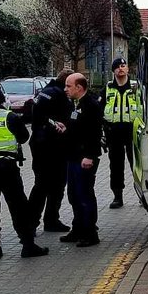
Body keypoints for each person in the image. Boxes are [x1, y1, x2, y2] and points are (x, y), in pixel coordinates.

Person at [0, 84, 49, 260]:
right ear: (1, 100)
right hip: (6, 168)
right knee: (18, 207)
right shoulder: (9, 117)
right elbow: (23, 137)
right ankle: (28, 245)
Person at [28, 69, 74, 232]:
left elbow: (36, 116)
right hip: (53, 145)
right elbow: (67, 118)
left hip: (39, 142)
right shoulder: (60, 95)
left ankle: (33, 222)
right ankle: (48, 220)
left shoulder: (44, 91)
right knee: (55, 184)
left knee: (41, 184)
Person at [62, 73, 103, 247]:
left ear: (79, 87)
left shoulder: (91, 105)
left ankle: (90, 233)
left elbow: (94, 133)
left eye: (68, 86)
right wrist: (66, 128)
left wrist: (90, 156)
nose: (65, 89)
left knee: (84, 194)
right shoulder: (75, 104)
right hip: (73, 156)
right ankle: (78, 228)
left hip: (84, 158)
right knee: (73, 194)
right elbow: (77, 126)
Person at [100, 58, 139, 209]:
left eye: (123, 66)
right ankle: (118, 197)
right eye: (117, 67)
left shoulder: (136, 87)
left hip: (133, 132)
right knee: (116, 166)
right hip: (114, 133)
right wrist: (103, 132)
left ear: (128, 69)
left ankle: (142, 194)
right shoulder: (108, 89)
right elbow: (100, 110)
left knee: (136, 165)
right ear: (113, 71)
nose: (120, 69)